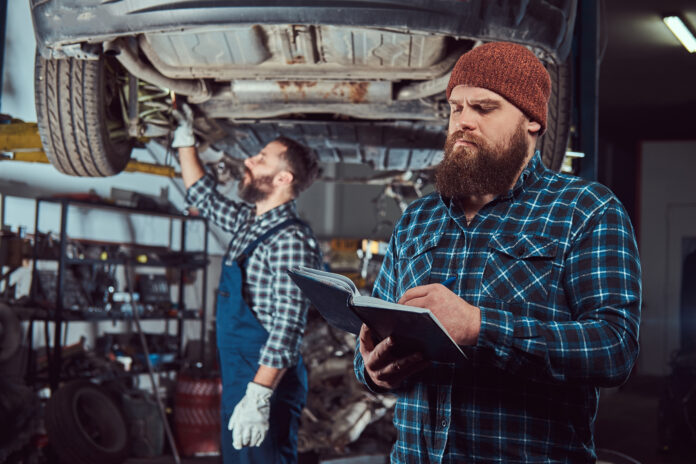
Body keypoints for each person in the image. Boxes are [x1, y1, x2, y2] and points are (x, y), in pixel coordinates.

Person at [353, 41, 641, 463]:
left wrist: (478, 327)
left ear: (533, 122)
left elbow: (614, 349)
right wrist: (373, 372)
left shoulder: (585, 210)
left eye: (484, 109)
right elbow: (378, 333)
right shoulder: (417, 219)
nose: (463, 122)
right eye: (455, 108)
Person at [172, 104, 323, 464]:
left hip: (265, 383)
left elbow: (287, 328)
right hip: (241, 377)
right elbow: (203, 197)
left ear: (284, 178)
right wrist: (184, 140)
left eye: (262, 158)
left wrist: (258, 396)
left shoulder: (290, 241)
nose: (249, 162)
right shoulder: (250, 223)